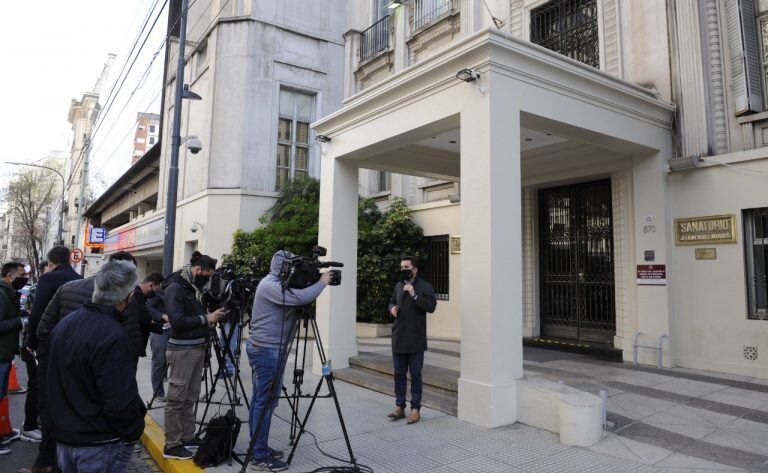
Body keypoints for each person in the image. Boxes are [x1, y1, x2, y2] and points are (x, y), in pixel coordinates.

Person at [47, 260, 146, 473]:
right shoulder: (114, 336)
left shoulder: (66, 324)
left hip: (67, 438)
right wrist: (132, 432)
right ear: (128, 298)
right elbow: (120, 400)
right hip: (99, 442)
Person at [247, 250, 333, 471]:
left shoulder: (279, 283)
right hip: (266, 350)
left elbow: (297, 293)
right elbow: (299, 297)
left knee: (264, 401)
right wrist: (322, 282)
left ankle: (259, 447)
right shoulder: (270, 285)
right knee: (264, 403)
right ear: (282, 267)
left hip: (271, 349)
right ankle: (259, 456)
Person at [163, 252, 225, 460]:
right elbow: (177, 321)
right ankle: (172, 444)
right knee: (176, 398)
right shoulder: (175, 288)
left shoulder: (193, 288)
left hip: (197, 347)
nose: (208, 279)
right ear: (198, 270)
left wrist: (208, 318)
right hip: (182, 351)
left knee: (190, 397)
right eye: (207, 274)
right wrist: (205, 318)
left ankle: (188, 436)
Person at [26, 246, 81, 473]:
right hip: (74, 347)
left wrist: (31, 342)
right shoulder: (79, 278)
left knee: (47, 399)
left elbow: (37, 313)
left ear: (50, 262)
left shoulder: (48, 279)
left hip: (50, 347)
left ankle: (46, 460)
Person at [387, 256, 437, 425]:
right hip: (399, 336)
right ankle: (400, 406)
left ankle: (415, 409)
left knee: (415, 375)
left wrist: (415, 295)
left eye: (406, 267)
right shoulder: (399, 284)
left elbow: (431, 307)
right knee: (398, 374)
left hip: (415, 338)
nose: (403, 270)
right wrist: (392, 308)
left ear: (414, 269)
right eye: (401, 267)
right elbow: (392, 300)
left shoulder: (425, 286)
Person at [0, 262, 29, 454]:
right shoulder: (1, 293)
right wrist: (20, 321)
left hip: (4, 354)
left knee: (1, 396)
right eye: (21, 275)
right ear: (11, 276)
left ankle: (3, 434)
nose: (24, 279)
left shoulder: (7, 292)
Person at [145, 272, 171, 401]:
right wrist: (162, 316)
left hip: (171, 330)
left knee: (165, 361)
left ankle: (163, 379)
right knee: (159, 361)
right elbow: (148, 307)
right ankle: (158, 392)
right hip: (159, 330)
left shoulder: (171, 292)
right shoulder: (157, 294)